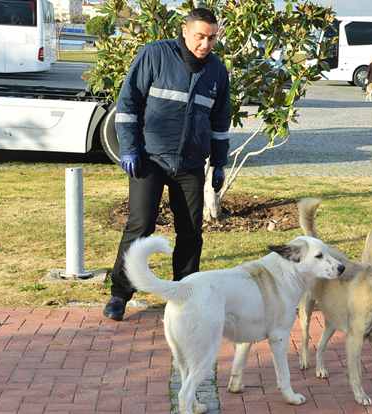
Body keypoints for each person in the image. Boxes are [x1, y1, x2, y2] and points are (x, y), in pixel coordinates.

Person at [103, 7, 231, 321]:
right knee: (141, 226)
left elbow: (220, 121)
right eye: (200, 36)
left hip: (189, 163)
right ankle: (120, 294)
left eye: (211, 37)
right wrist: (130, 148)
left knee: (190, 232)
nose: (205, 43)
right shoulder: (155, 55)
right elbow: (128, 102)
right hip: (149, 159)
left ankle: (185, 295)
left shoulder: (216, 70)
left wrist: (219, 164)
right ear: (185, 31)